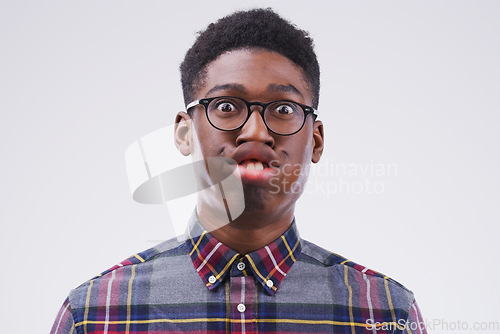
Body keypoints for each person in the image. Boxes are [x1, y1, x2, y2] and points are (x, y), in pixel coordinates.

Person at [50, 8, 426, 334]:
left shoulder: (386, 313)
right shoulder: (94, 314)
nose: (256, 132)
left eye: (283, 109)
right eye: (227, 106)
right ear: (184, 133)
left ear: (316, 140)